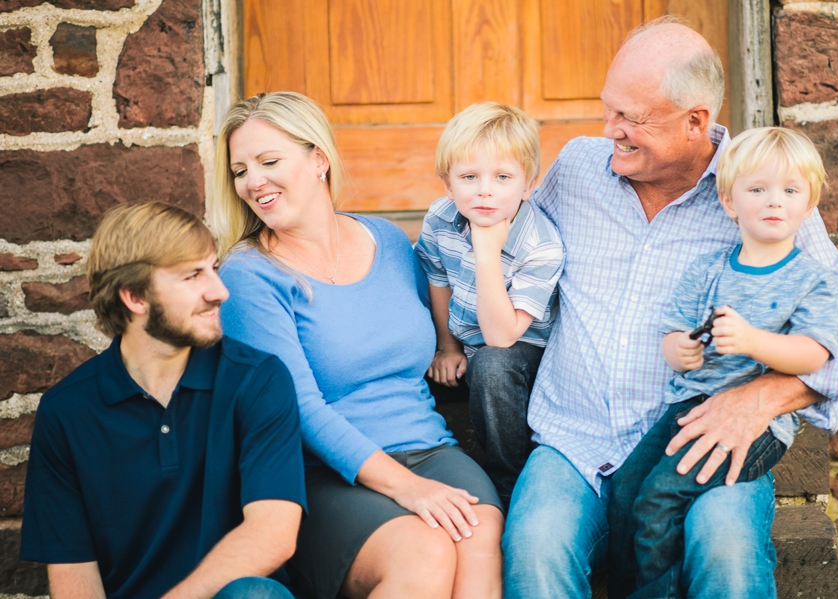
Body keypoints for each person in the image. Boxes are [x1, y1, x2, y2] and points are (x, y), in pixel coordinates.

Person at [501, 17, 838, 599]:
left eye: (631, 118)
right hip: (575, 439)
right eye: (609, 110)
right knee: (534, 552)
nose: (611, 130)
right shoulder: (578, 168)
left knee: (726, 555)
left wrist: (765, 396)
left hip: (704, 440)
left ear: (695, 122)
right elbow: (506, 241)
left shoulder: (756, 191)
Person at [209, 91, 504, 599]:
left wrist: (449, 345)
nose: (253, 181)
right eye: (240, 170)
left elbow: (436, 328)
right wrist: (407, 488)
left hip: (430, 446)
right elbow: (298, 409)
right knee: (424, 552)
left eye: (269, 161)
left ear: (318, 159)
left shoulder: (387, 241)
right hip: (324, 474)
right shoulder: (249, 276)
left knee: (477, 535)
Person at [20, 202, 306, 599]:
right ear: (135, 297)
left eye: (214, 269)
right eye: (193, 276)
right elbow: (74, 575)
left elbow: (272, 535)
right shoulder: (67, 413)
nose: (219, 291)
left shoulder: (256, 380)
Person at [608, 126, 838, 598]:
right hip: (688, 408)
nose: (774, 201)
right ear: (730, 202)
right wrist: (682, 350)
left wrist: (753, 341)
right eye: (757, 189)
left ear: (809, 204)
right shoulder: (710, 269)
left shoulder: (812, 280)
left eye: (790, 190)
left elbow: (814, 354)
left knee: (657, 503)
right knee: (625, 491)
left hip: (755, 428)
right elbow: (674, 332)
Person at [415, 102, 564, 505]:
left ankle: (509, 482)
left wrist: (486, 251)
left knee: (493, 366)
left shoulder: (541, 245)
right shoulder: (442, 217)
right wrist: (446, 347)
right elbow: (438, 279)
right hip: (462, 338)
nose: (485, 190)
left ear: (528, 184)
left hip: (519, 351)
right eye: (469, 177)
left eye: (502, 177)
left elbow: (501, 337)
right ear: (448, 184)